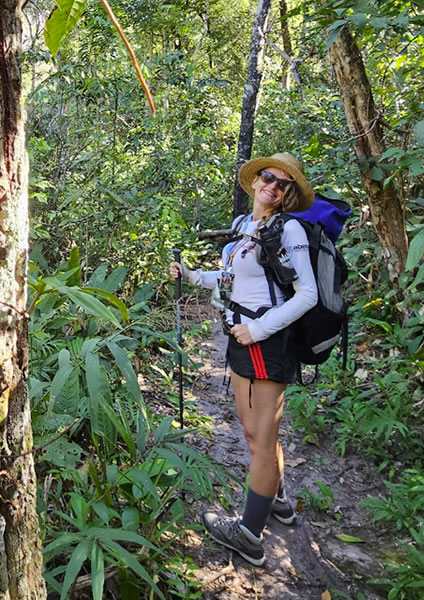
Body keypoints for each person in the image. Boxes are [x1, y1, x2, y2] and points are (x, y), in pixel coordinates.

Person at [169, 152, 317, 566]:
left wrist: (259, 329)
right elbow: (234, 280)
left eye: (282, 183)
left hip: (265, 344)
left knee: (259, 440)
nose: (272, 185)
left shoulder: (289, 230)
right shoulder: (244, 227)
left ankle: (250, 534)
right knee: (260, 437)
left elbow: (308, 294)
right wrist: (196, 276)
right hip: (242, 339)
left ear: (288, 194)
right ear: (255, 181)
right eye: (268, 177)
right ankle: (280, 503)